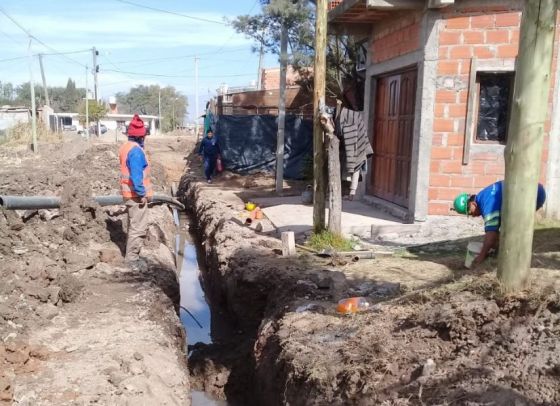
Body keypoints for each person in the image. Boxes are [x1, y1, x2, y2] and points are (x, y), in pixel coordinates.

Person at [453, 180, 546, 267]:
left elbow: (491, 235)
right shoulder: (483, 196)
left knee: (512, 234)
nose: (472, 215)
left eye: (469, 212)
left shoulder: (488, 204)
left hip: (534, 194)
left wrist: (481, 256)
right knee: (502, 234)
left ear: (473, 204)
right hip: (533, 188)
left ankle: (516, 261)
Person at [118, 113, 153, 267]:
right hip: (135, 195)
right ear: (141, 137)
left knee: (133, 225)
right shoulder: (136, 151)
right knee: (138, 228)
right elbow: (137, 176)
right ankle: (132, 260)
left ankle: (132, 256)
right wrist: (142, 194)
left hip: (128, 193)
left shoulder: (126, 147)